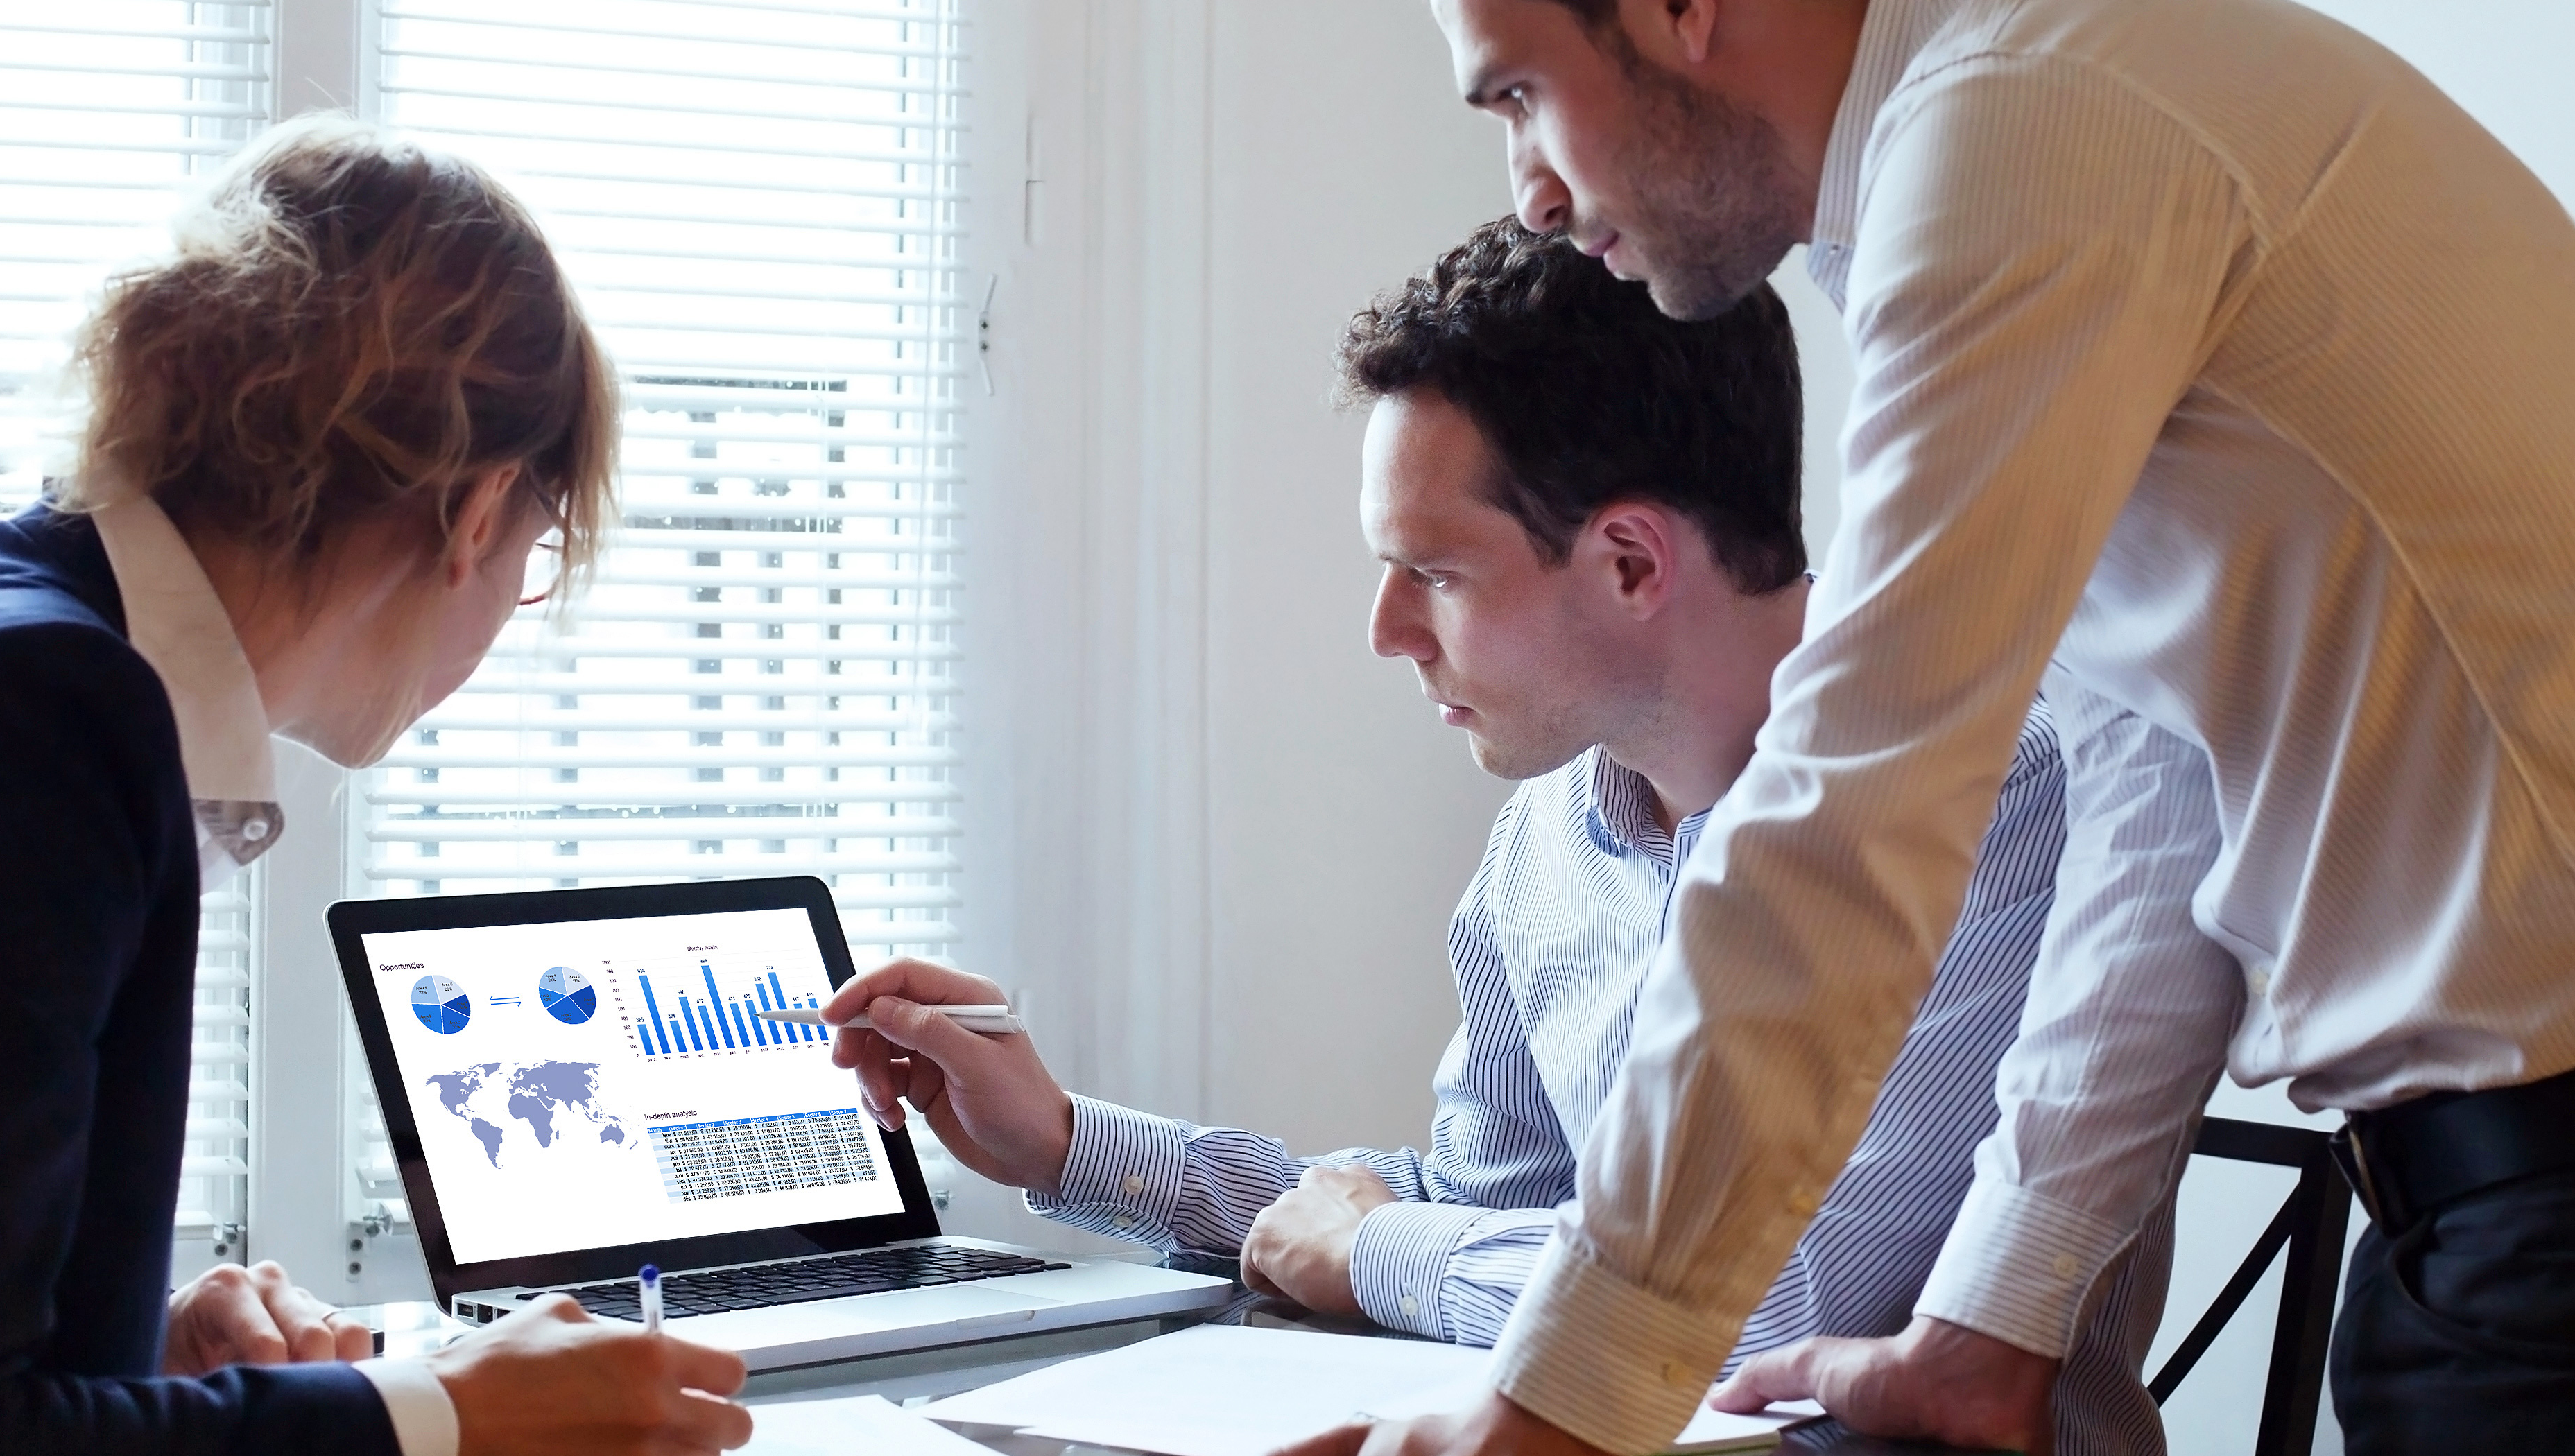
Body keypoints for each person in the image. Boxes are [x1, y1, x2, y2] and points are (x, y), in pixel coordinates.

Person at [1293, 1, 2575, 1455]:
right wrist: (1993, 1321)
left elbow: (1855, 811)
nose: (1530, 188)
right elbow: (2160, 790)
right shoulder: (2007, 129)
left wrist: (1567, 1398)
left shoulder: (2021, 125)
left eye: (1516, 94)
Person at [822, 218, 2189, 1456]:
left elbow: (1782, 1298)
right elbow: (1480, 1204)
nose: (1385, 633)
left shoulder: (1995, 796)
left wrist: (1383, 1251)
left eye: (1434, 573)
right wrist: (1065, 1143)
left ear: (1632, 564)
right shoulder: (1547, 840)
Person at [0, 117, 752, 1455]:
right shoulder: (28, 719)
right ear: (482, 510)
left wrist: (138, 1347)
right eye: (539, 550)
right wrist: (439, 1414)